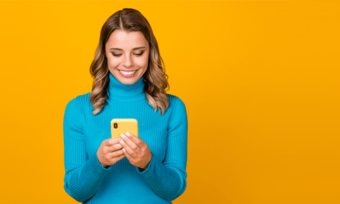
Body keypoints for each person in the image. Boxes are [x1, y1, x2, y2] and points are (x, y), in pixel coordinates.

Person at [63, 8, 188, 203]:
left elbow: (175, 190)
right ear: (104, 54)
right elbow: (76, 192)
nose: (128, 63)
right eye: (116, 53)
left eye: (138, 53)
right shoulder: (78, 109)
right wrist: (99, 163)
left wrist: (148, 163)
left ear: (150, 52)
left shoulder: (172, 108)